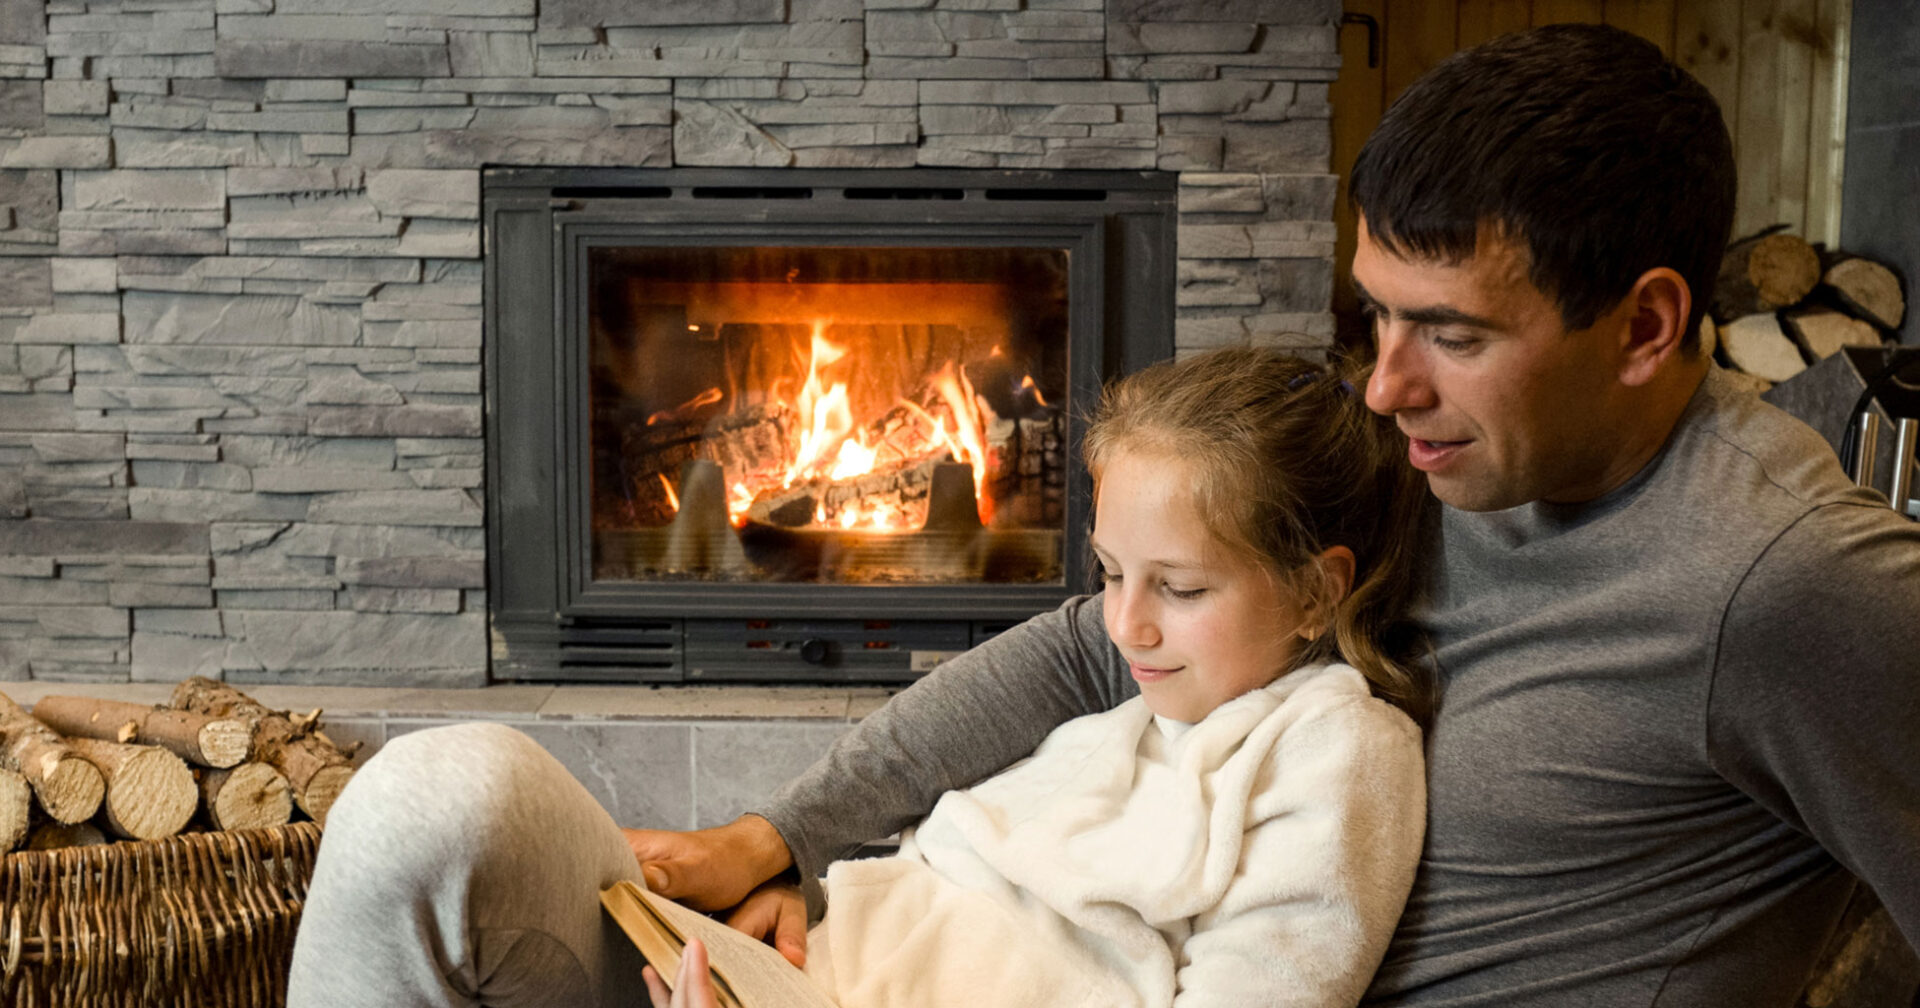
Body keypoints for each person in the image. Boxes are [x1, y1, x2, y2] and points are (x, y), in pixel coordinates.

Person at [630, 22, 1920, 1008]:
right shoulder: (1434, 457)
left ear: (1645, 324)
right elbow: (1093, 648)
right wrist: (778, 839)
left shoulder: (1793, 588)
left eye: (1454, 334)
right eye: (1376, 315)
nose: (1385, 383)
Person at [289, 347, 1435, 1008]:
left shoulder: (1337, 749)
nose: (1121, 623)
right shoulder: (1141, 694)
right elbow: (954, 875)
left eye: (1177, 588)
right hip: (763, 968)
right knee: (435, 793)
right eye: (1105, 573)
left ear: (1315, 589)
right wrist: (803, 881)